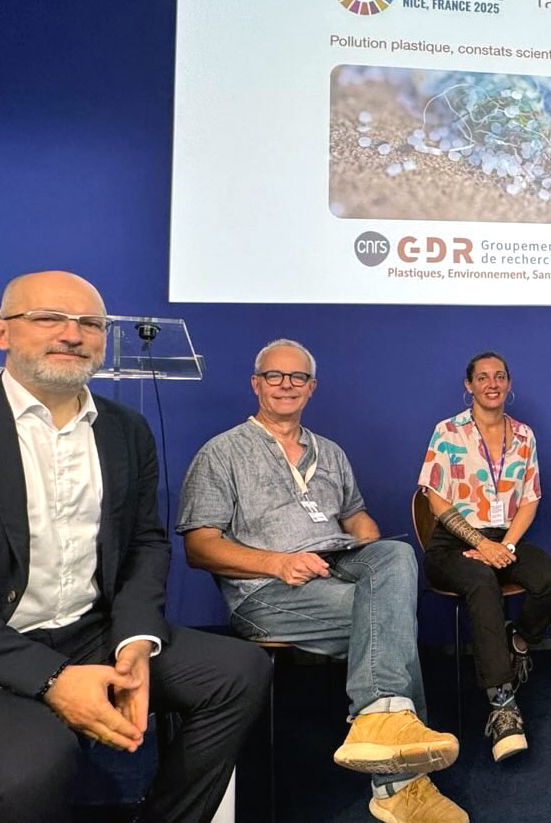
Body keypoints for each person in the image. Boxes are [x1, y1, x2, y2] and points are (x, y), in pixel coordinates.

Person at [0, 271, 270, 822]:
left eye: (89, 323)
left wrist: (138, 640)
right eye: (47, 318)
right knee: (35, 756)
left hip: (83, 633)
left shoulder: (126, 430)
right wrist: (50, 679)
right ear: (0, 332)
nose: (72, 334)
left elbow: (144, 542)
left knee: (237, 670)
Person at [178, 338, 465, 823]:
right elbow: (198, 546)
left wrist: (365, 538)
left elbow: (354, 514)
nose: (286, 386)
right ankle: (399, 784)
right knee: (386, 618)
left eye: (297, 378)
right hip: (266, 591)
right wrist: (275, 563)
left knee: (394, 553)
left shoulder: (329, 452)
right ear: (256, 383)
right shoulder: (221, 452)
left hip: (336, 563)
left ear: (311, 388)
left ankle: (382, 723)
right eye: (275, 376)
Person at [418, 352, 551, 761]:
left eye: (499, 376)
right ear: (468, 385)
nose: (492, 383)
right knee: (482, 582)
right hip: (452, 542)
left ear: (508, 383)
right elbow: (434, 497)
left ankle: (517, 641)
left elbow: (530, 500)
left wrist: (507, 546)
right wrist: (479, 545)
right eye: (482, 377)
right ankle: (502, 705)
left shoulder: (524, 435)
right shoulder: (447, 431)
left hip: (504, 538)